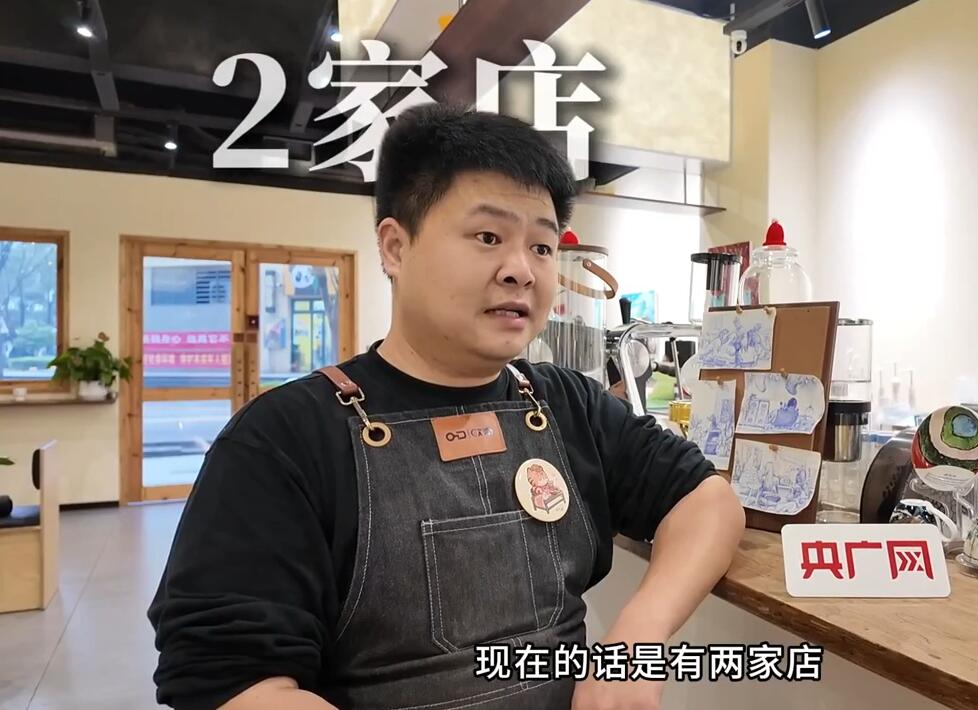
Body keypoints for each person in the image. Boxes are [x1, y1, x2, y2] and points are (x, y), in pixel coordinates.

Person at [148, 103, 746, 710]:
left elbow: (707, 501)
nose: (521, 270)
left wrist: (635, 642)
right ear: (394, 248)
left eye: (542, 247)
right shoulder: (286, 437)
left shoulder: (567, 405)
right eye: (488, 237)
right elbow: (230, 679)